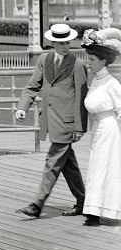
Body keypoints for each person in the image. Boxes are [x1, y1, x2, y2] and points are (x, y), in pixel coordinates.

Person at [14, 22, 88, 219]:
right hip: (49, 120)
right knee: (68, 165)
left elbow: (81, 97)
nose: (66, 46)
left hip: (67, 124)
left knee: (52, 162)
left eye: (68, 42)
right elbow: (32, 87)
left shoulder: (78, 65)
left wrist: (80, 127)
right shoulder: (43, 60)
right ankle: (84, 202)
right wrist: (22, 108)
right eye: (61, 43)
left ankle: (38, 203)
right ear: (53, 42)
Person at [78, 27, 121, 226]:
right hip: (98, 129)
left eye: (92, 60)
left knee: (106, 168)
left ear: (103, 61)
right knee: (96, 168)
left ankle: (100, 211)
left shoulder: (112, 84)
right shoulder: (96, 81)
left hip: (110, 130)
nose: (88, 63)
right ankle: (93, 210)